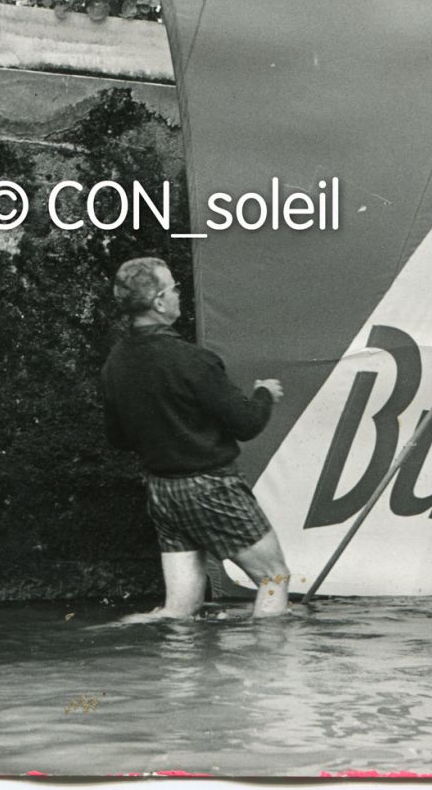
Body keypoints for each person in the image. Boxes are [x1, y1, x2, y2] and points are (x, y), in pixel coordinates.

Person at [100, 257, 292, 619]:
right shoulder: (192, 360)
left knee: (180, 609)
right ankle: (271, 673)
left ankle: (108, 648)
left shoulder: (115, 364)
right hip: (210, 487)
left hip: (162, 491)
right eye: (173, 288)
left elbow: (118, 438)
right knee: (273, 577)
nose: (178, 294)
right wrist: (264, 393)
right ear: (158, 302)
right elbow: (247, 423)